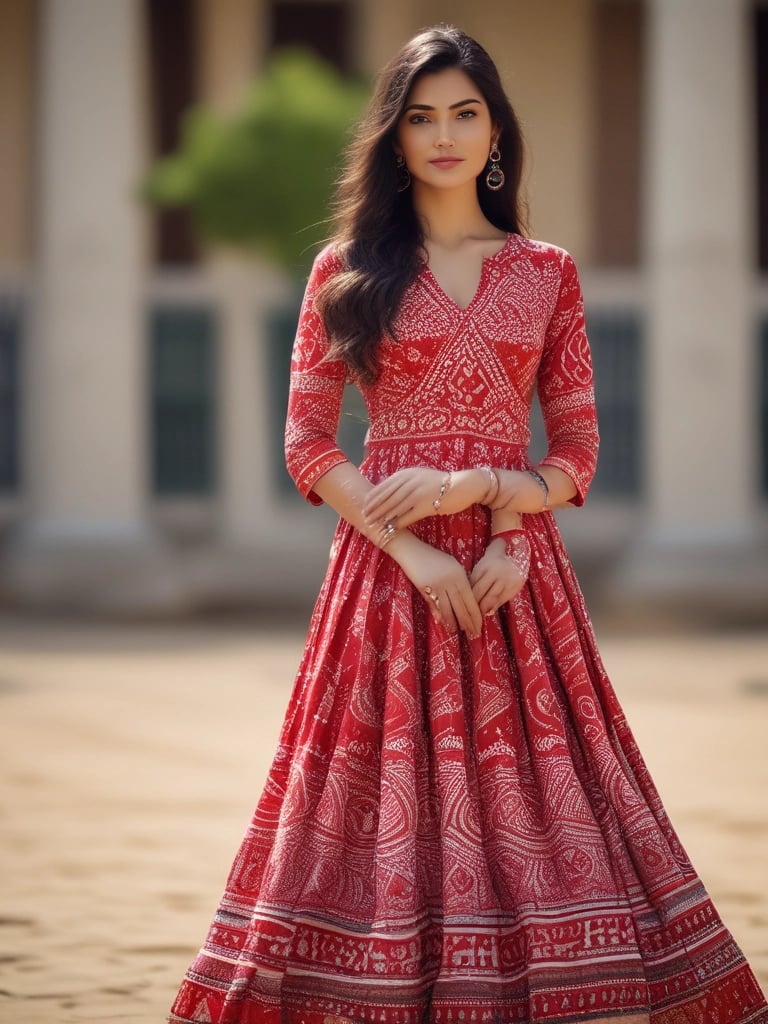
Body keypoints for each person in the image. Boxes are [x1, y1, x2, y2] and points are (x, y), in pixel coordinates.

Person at [169, 25, 768, 1024]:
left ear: (496, 133)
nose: (443, 136)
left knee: (547, 796)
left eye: (465, 114)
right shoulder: (344, 268)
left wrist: (492, 508)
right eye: (421, 118)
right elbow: (307, 445)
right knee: (368, 794)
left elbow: (577, 454)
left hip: (515, 578)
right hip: (382, 575)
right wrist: (410, 550)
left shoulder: (548, 272)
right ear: (395, 138)